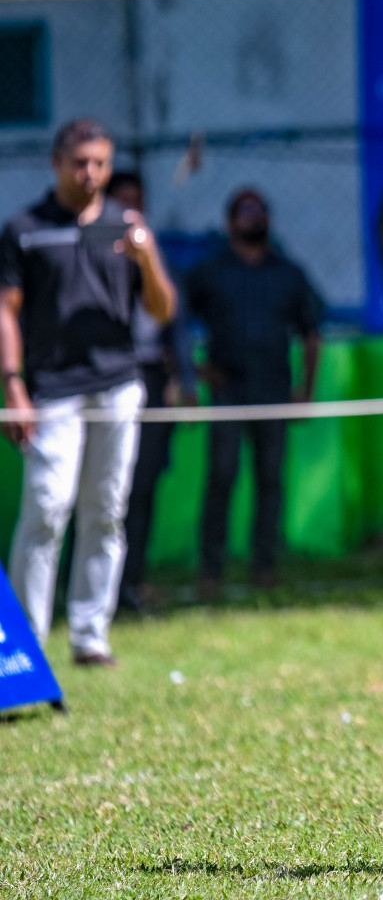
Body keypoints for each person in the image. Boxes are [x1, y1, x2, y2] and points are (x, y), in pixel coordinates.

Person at [0, 118, 178, 665]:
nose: (90, 173)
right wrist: (13, 384)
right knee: (48, 508)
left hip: (118, 386)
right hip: (53, 390)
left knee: (106, 510)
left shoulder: (125, 226)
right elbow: (6, 311)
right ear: (56, 162)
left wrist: (147, 259)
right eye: (80, 162)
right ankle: (27, 645)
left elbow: (163, 310)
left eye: (100, 162)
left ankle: (89, 634)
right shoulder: (25, 228)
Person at [184, 188, 323, 598]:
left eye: (258, 211)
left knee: (270, 480)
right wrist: (196, 371)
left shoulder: (288, 274)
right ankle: (211, 571)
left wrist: (306, 391)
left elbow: (312, 333)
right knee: (222, 476)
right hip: (228, 390)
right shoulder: (210, 272)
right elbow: (169, 320)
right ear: (229, 223)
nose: (252, 219)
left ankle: (265, 566)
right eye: (244, 213)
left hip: (274, 390)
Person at [109, 172, 196, 615]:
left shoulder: (157, 260)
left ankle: (131, 585)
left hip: (152, 382)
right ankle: (95, 592)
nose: (130, 213)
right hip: (104, 379)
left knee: (141, 487)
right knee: (101, 493)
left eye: (137, 203)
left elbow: (174, 323)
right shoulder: (92, 259)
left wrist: (186, 377)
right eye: (122, 203)